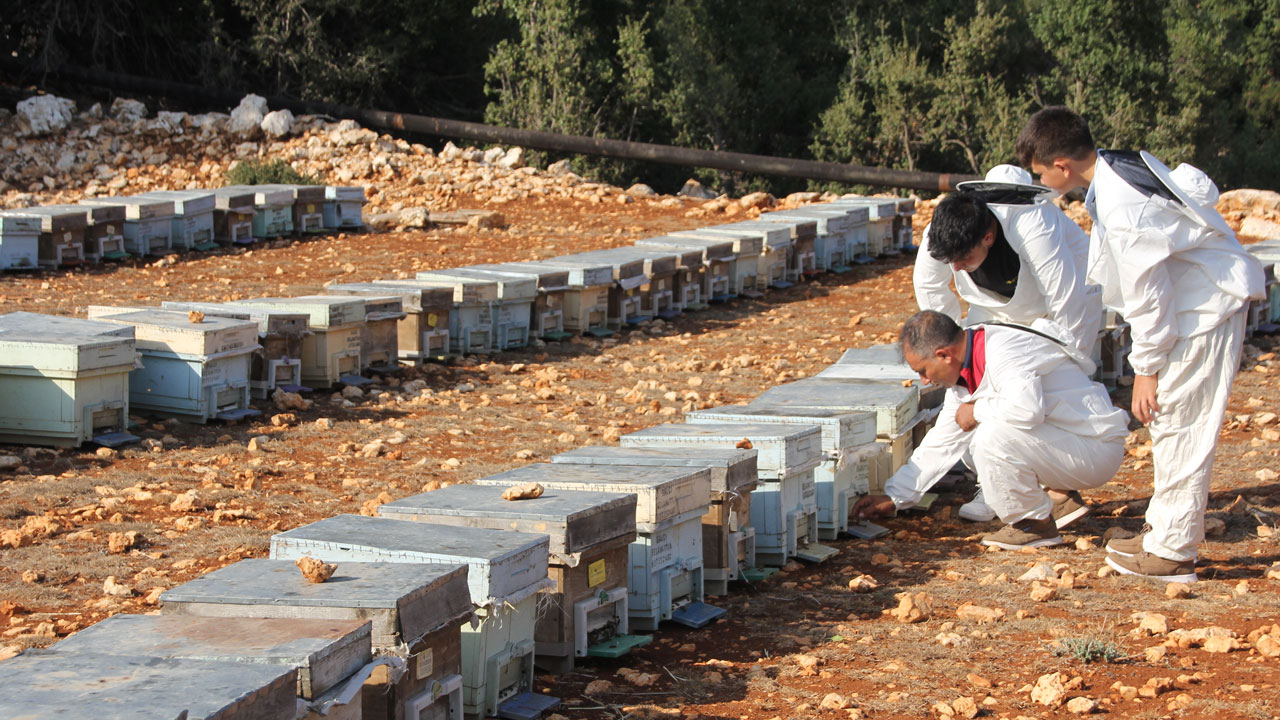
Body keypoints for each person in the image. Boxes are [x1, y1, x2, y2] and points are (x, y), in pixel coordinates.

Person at [1016, 106, 1264, 582]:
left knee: (1181, 424)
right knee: (1172, 423)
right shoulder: (1117, 167)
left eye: (1040, 171)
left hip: (1202, 309)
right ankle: (1162, 533)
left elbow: (1149, 293)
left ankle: (1173, 553)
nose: (1040, 180)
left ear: (1062, 166)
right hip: (1195, 303)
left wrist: (1145, 369)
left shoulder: (1121, 204)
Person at [916, 164, 1102, 522]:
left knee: (1041, 394)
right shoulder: (946, 227)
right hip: (992, 309)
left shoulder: (1034, 223)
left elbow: (1066, 302)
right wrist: (953, 351)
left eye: (963, 259)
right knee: (976, 390)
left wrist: (1063, 367)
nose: (957, 268)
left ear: (988, 236)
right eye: (952, 261)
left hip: (1056, 309)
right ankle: (995, 484)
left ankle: (1058, 489)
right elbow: (930, 288)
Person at [852, 311, 1129, 550]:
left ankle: (1032, 524)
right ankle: (1058, 498)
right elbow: (943, 441)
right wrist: (895, 495)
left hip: (1093, 448)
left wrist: (976, 410)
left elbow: (1027, 410)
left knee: (989, 437)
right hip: (1069, 442)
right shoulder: (968, 362)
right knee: (975, 440)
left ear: (944, 355)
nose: (924, 380)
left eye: (923, 370)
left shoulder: (1004, 352)